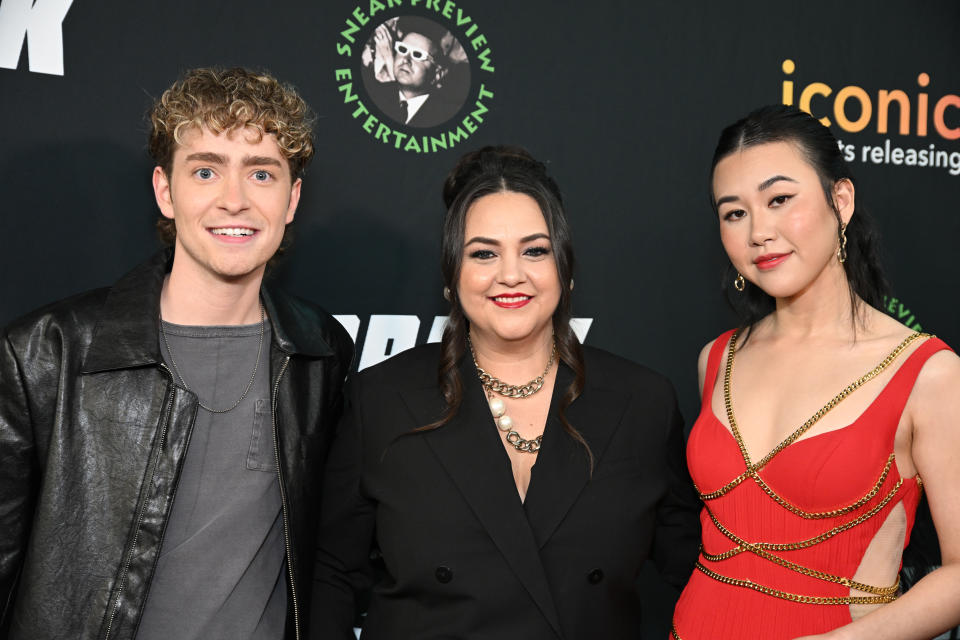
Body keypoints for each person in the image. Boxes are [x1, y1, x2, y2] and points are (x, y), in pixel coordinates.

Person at [0, 67, 353, 639]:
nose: (233, 200)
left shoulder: (321, 354)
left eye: (260, 173)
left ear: (292, 200)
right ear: (166, 191)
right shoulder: (47, 353)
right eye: (207, 170)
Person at [311, 145, 700, 639]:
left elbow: (697, 567)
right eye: (484, 253)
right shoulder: (383, 398)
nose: (510, 274)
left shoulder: (642, 401)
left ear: (566, 269)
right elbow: (332, 575)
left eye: (534, 250)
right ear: (452, 277)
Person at [671, 105, 960, 639]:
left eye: (780, 199)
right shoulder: (716, 358)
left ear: (840, 200)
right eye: (734, 213)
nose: (759, 231)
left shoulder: (930, 374)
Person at [363, 16, 462, 128]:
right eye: (403, 49)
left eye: (418, 55)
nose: (406, 59)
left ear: (437, 74)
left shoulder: (449, 116)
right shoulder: (372, 95)